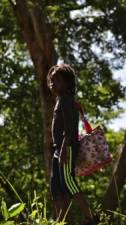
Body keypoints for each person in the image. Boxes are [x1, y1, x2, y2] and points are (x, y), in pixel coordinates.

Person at [47, 64, 97, 225]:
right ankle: (61, 221)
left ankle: (91, 217)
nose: (52, 84)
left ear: (67, 83)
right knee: (56, 187)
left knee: (68, 182)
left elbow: (70, 129)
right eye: (51, 81)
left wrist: (63, 150)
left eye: (57, 80)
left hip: (66, 148)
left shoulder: (67, 100)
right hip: (59, 149)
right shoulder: (60, 100)